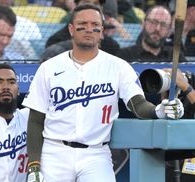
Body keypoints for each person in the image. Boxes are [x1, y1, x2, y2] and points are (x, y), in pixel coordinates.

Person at [22, 3, 184, 182]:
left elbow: (137, 104)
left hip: (96, 153)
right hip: (55, 151)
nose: (89, 29)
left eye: (95, 24)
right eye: (83, 24)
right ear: (71, 29)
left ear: (101, 30)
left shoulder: (119, 66)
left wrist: (158, 111)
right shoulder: (48, 68)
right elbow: (36, 120)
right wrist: (34, 166)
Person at [116, 5, 187, 62]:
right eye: (153, 22)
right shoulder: (124, 56)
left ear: (169, 31)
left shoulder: (176, 57)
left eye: (163, 25)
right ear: (143, 24)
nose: (157, 29)